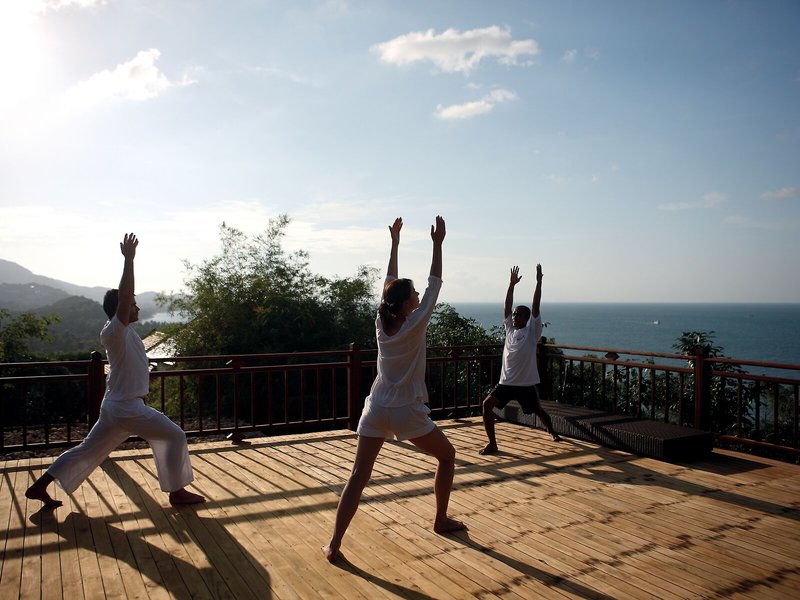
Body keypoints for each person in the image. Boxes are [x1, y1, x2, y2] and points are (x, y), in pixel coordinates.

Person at [322, 216, 465, 563]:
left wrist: (395, 244)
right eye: (413, 294)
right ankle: (440, 519)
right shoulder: (415, 323)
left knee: (358, 476)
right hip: (406, 410)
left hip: (376, 407)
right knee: (447, 457)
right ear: (407, 304)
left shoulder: (381, 321)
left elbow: (389, 285)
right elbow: (434, 284)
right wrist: (437, 244)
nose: (418, 296)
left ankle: (334, 544)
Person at [25, 233, 205, 508]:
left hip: (115, 407)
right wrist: (129, 260)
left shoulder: (127, 332)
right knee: (175, 435)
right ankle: (177, 492)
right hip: (126, 407)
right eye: (132, 304)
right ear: (121, 308)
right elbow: (124, 297)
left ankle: (39, 486)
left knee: (87, 450)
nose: (137, 307)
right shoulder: (114, 332)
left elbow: (126, 310)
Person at [479, 264, 561, 455]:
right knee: (486, 404)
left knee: (538, 411)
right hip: (506, 383)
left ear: (527, 318)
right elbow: (507, 307)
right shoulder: (509, 330)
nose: (515, 316)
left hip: (525, 384)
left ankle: (552, 431)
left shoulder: (532, 332)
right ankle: (492, 443)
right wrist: (511, 285)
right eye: (515, 314)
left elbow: (536, 307)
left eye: (519, 314)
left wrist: (538, 282)